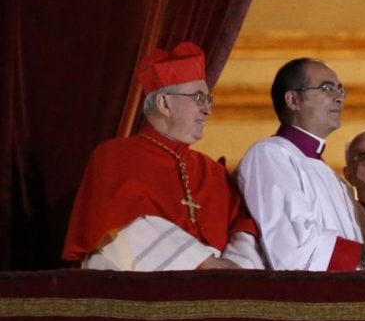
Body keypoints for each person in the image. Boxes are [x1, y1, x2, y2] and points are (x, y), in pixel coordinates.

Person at [63, 42, 262, 270]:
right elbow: (121, 225)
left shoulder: (213, 171)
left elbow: (242, 228)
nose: (207, 109)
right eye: (198, 98)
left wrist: (238, 273)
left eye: (208, 99)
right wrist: (205, 264)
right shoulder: (115, 157)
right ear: (164, 103)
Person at [236, 58, 365, 271]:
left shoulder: (334, 179)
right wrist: (362, 254)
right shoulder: (269, 155)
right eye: (327, 88)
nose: (339, 98)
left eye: (340, 90)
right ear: (293, 100)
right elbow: (290, 248)